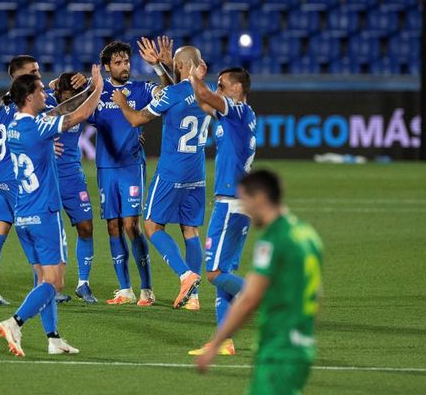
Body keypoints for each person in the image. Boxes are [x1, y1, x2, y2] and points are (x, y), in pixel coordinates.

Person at [0, 65, 103, 357]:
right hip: (45, 213)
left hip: (23, 215)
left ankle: (53, 338)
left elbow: (57, 112)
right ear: (29, 97)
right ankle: (15, 322)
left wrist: (76, 90)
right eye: (41, 90)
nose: (46, 93)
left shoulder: (16, 125)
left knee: (42, 279)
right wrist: (96, 88)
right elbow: (78, 115)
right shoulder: (38, 125)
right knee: (54, 282)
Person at [196, 170, 323, 395]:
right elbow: (316, 293)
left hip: (279, 348)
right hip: (302, 344)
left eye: (245, 200)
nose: (244, 208)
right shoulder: (307, 234)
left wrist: (215, 345)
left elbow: (249, 300)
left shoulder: (274, 239)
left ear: (260, 198)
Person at [0, 55, 86, 305]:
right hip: (18, 177)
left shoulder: (7, 100)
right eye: (33, 72)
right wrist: (91, 86)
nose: (39, 76)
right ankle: (47, 288)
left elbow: (4, 105)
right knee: (39, 231)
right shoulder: (30, 102)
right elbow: (65, 109)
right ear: (19, 77)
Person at [112, 45, 210, 309]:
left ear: (179, 67)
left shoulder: (174, 93)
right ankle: (194, 298)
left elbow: (135, 119)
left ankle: (186, 275)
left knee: (152, 226)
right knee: (190, 230)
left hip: (171, 171)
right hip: (196, 171)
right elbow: (178, 90)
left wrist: (121, 103)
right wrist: (163, 66)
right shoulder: (207, 92)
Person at [87, 39, 172, 306]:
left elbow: (170, 92)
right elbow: (72, 113)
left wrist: (159, 67)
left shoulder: (141, 89)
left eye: (126, 61)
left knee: (130, 225)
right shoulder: (97, 95)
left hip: (131, 167)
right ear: (106, 66)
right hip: (105, 167)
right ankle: (125, 289)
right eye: (118, 62)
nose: (125, 66)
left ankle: (146, 288)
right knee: (112, 226)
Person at [188, 63, 257, 356]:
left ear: (237, 88)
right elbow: (203, 100)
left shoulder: (238, 111)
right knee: (223, 274)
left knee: (214, 273)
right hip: (240, 203)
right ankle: (224, 341)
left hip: (230, 202)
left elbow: (203, 92)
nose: (218, 89)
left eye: (222, 84)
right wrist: (167, 70)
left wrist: (195, 74)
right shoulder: (241, 116)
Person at [48, 73, 97, 303]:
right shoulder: (44, 103)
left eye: (74, 98)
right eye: (67, 98)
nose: (71, 105)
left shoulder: (82, 102)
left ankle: (83, 284)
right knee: (51, 234)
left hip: (72, 176)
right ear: (57, 94)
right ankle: (51, 286)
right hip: (48, 177)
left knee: (86, 228)